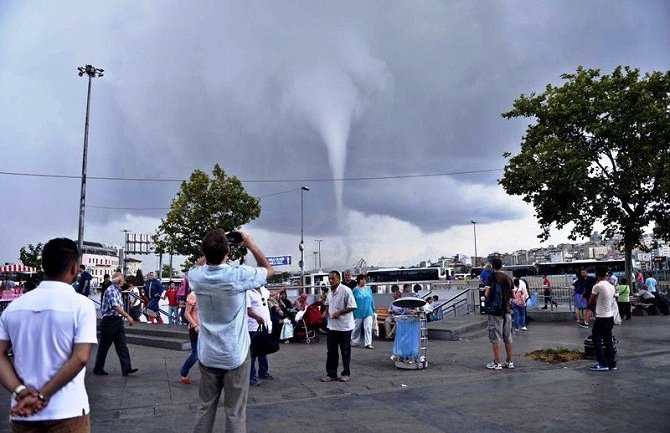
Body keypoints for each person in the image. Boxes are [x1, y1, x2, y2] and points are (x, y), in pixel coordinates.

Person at [0, 237, 98, 431]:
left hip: (23, 412)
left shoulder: (14, 307)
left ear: (44, 265)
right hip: (67, 410)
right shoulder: (81, 305)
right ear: (74, 269)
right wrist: (42, 396)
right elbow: (81, 357)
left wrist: (20, 392)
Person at [189, 229, 273, 433]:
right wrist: (249, 243)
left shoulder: (196, 276)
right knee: (235, 413)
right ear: (228, 250)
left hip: (208, 354)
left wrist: (214, 247)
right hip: (235, 354)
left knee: (204, 409)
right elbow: (268, 270)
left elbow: (199, 264)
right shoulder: (238, 274)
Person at [93, 272, 138, 377]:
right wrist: (128, 316)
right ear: (119, 281)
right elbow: (115, 307)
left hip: (117, 321)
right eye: (123, 279)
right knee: (104, 347)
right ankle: (98, 369)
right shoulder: (112, 291)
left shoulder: (117, 291)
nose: (124, 281)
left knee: (122, 345)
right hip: (109, 321)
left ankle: (126, 368)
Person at [321, 270, 357, 383]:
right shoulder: (330, 292)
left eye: (333, 278)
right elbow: (327, 304)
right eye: (329, 278)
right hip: (332, 325)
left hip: (344, 326)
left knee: (345, 351)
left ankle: (346, 373)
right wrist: (325, 311)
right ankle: (331, 373)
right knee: (331, 351)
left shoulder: (346, 290)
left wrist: (339, 312)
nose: (331, 280)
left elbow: (352, 306)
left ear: (339, 279)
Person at [485, 258, 515, 370]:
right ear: (501, 266)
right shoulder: (508, 278)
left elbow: (487, 293)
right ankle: (509, 361)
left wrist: (487, 295)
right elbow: (513, 296)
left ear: (493, 266)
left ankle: (497, 363)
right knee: (508, 337)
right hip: (507, 310)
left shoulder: (491, 277)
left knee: (496, 337)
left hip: (495, 311)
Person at [588, 267, 617, 371]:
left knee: (596, 339)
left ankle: (602, 363)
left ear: (597, 275)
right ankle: (612, 363)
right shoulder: (611, 286)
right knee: (608, 340)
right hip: (610, 317)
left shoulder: (597, 286)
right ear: (606, 275)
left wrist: (595, 301)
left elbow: (591, 301)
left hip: (601, 317)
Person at [247, 285, 274, 386]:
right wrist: (257, 317)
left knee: (263, 350)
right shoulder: (248, 292)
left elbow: (270, 294)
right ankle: (251, 377)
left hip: (264, 325)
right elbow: (248, 310)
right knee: (253, 353)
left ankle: (263, 372)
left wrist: (280, 290)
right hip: (253, 327)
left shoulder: (263, 290)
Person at [351, 274, 375, 349]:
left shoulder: (368, 289)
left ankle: (368, 343)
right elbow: (352, 301)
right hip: (358, 311)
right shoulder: (355, 290)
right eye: (361, 279)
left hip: (368, 311)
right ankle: (354, 341)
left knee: (368, 327)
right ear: (358, 281)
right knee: (356, 327)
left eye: (364, 279)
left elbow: (372, 299)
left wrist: (373, 309)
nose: (363, 281)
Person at [180, 290, 199, 384]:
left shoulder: (209, 294)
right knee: (196, 354)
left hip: (207, 329)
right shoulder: (193, 295)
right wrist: (195, 325)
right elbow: (186, 313)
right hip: (195, 328)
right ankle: (184, 372)